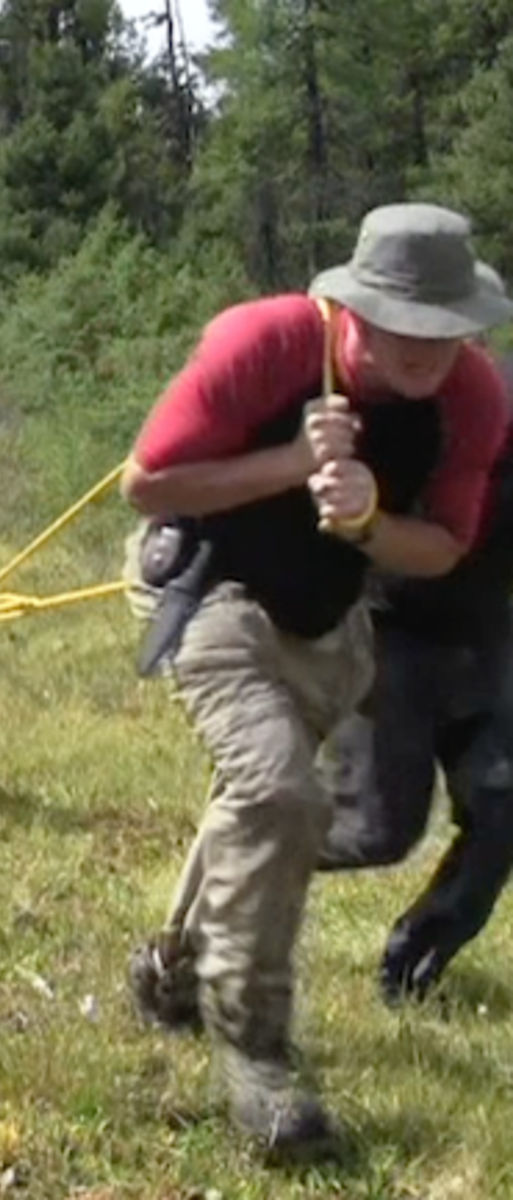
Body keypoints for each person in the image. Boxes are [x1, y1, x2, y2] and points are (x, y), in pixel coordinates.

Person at [119, 202, 513, 1157]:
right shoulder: (268, 342)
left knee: (260, 800)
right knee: (277, 786)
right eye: (403, 325)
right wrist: (294, 463)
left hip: (329, 615)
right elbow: (147, 483)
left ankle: (171, 967)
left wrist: (371, 520)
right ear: (354, 307)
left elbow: (446, 545)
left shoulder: (474, 398)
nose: (426, 352)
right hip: (212, 587)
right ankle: (257, 1055)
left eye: (447, 329)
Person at [315, 349, 513, 1005]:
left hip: (481, 633)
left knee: (504, 807)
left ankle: (408, 972)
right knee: (377, 831)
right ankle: (244, 848)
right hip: (388, 625)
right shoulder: (473, 398)